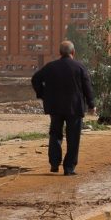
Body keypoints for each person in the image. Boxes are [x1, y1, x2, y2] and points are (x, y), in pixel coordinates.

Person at [31, 40, 95, 176]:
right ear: (73, 52)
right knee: (73, 138)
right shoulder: (79, 67)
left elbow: (35, 79)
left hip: (55, 107)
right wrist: (91, 104)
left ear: (60, 52)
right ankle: (69, 168)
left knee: (55, 134)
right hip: (74, 108)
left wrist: (43, 94)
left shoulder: (50, 67)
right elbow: (87, 87)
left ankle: (54, 163)